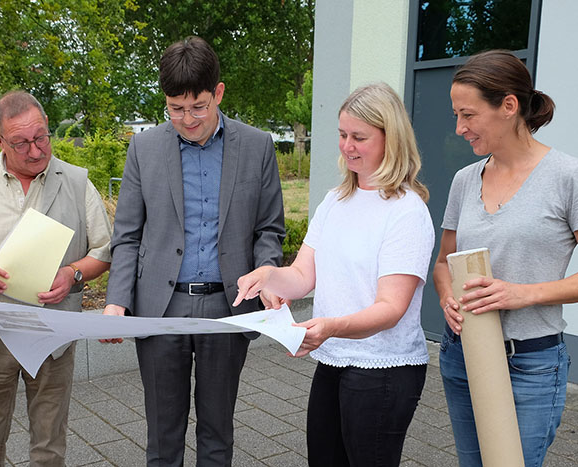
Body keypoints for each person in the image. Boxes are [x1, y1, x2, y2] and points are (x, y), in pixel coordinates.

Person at [102, 36, 285, 466]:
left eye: (198, 107)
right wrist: (116, 302)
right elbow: (127, 234)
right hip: (160, 308)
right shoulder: (143, 148)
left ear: (218, 93)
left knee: (218, 431)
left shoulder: (257, 146)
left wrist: (267, 272)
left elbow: (268, 228)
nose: (187, 119)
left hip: (228, 304)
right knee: (163, 436)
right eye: (175, 108)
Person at [234, 82, 434, 466]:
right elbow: (303, 276)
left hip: (384, 368)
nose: (347, 146)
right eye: (342, 135)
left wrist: (329, 326)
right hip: (335, 358)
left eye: (359, 137)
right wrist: (266, 276)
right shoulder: (335, 201)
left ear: (390, 139)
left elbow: (391, 308)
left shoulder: (406, 211)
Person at [433, 49, 576, 467]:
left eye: (468, 114)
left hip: (530, 364)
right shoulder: (464, 181)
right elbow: (444, 262)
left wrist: (522, 293)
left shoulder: (567, 177)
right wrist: (447, 299)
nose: (459, 128)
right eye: (456, 115)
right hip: (463, 355)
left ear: (509, 106)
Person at [0, 90, 112, 466]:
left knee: (49, 444)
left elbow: (104, 249)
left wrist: (73, 273)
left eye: (41, 138)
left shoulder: (78, 181)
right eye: (20, 143)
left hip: (53, 335)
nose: (35, 151)